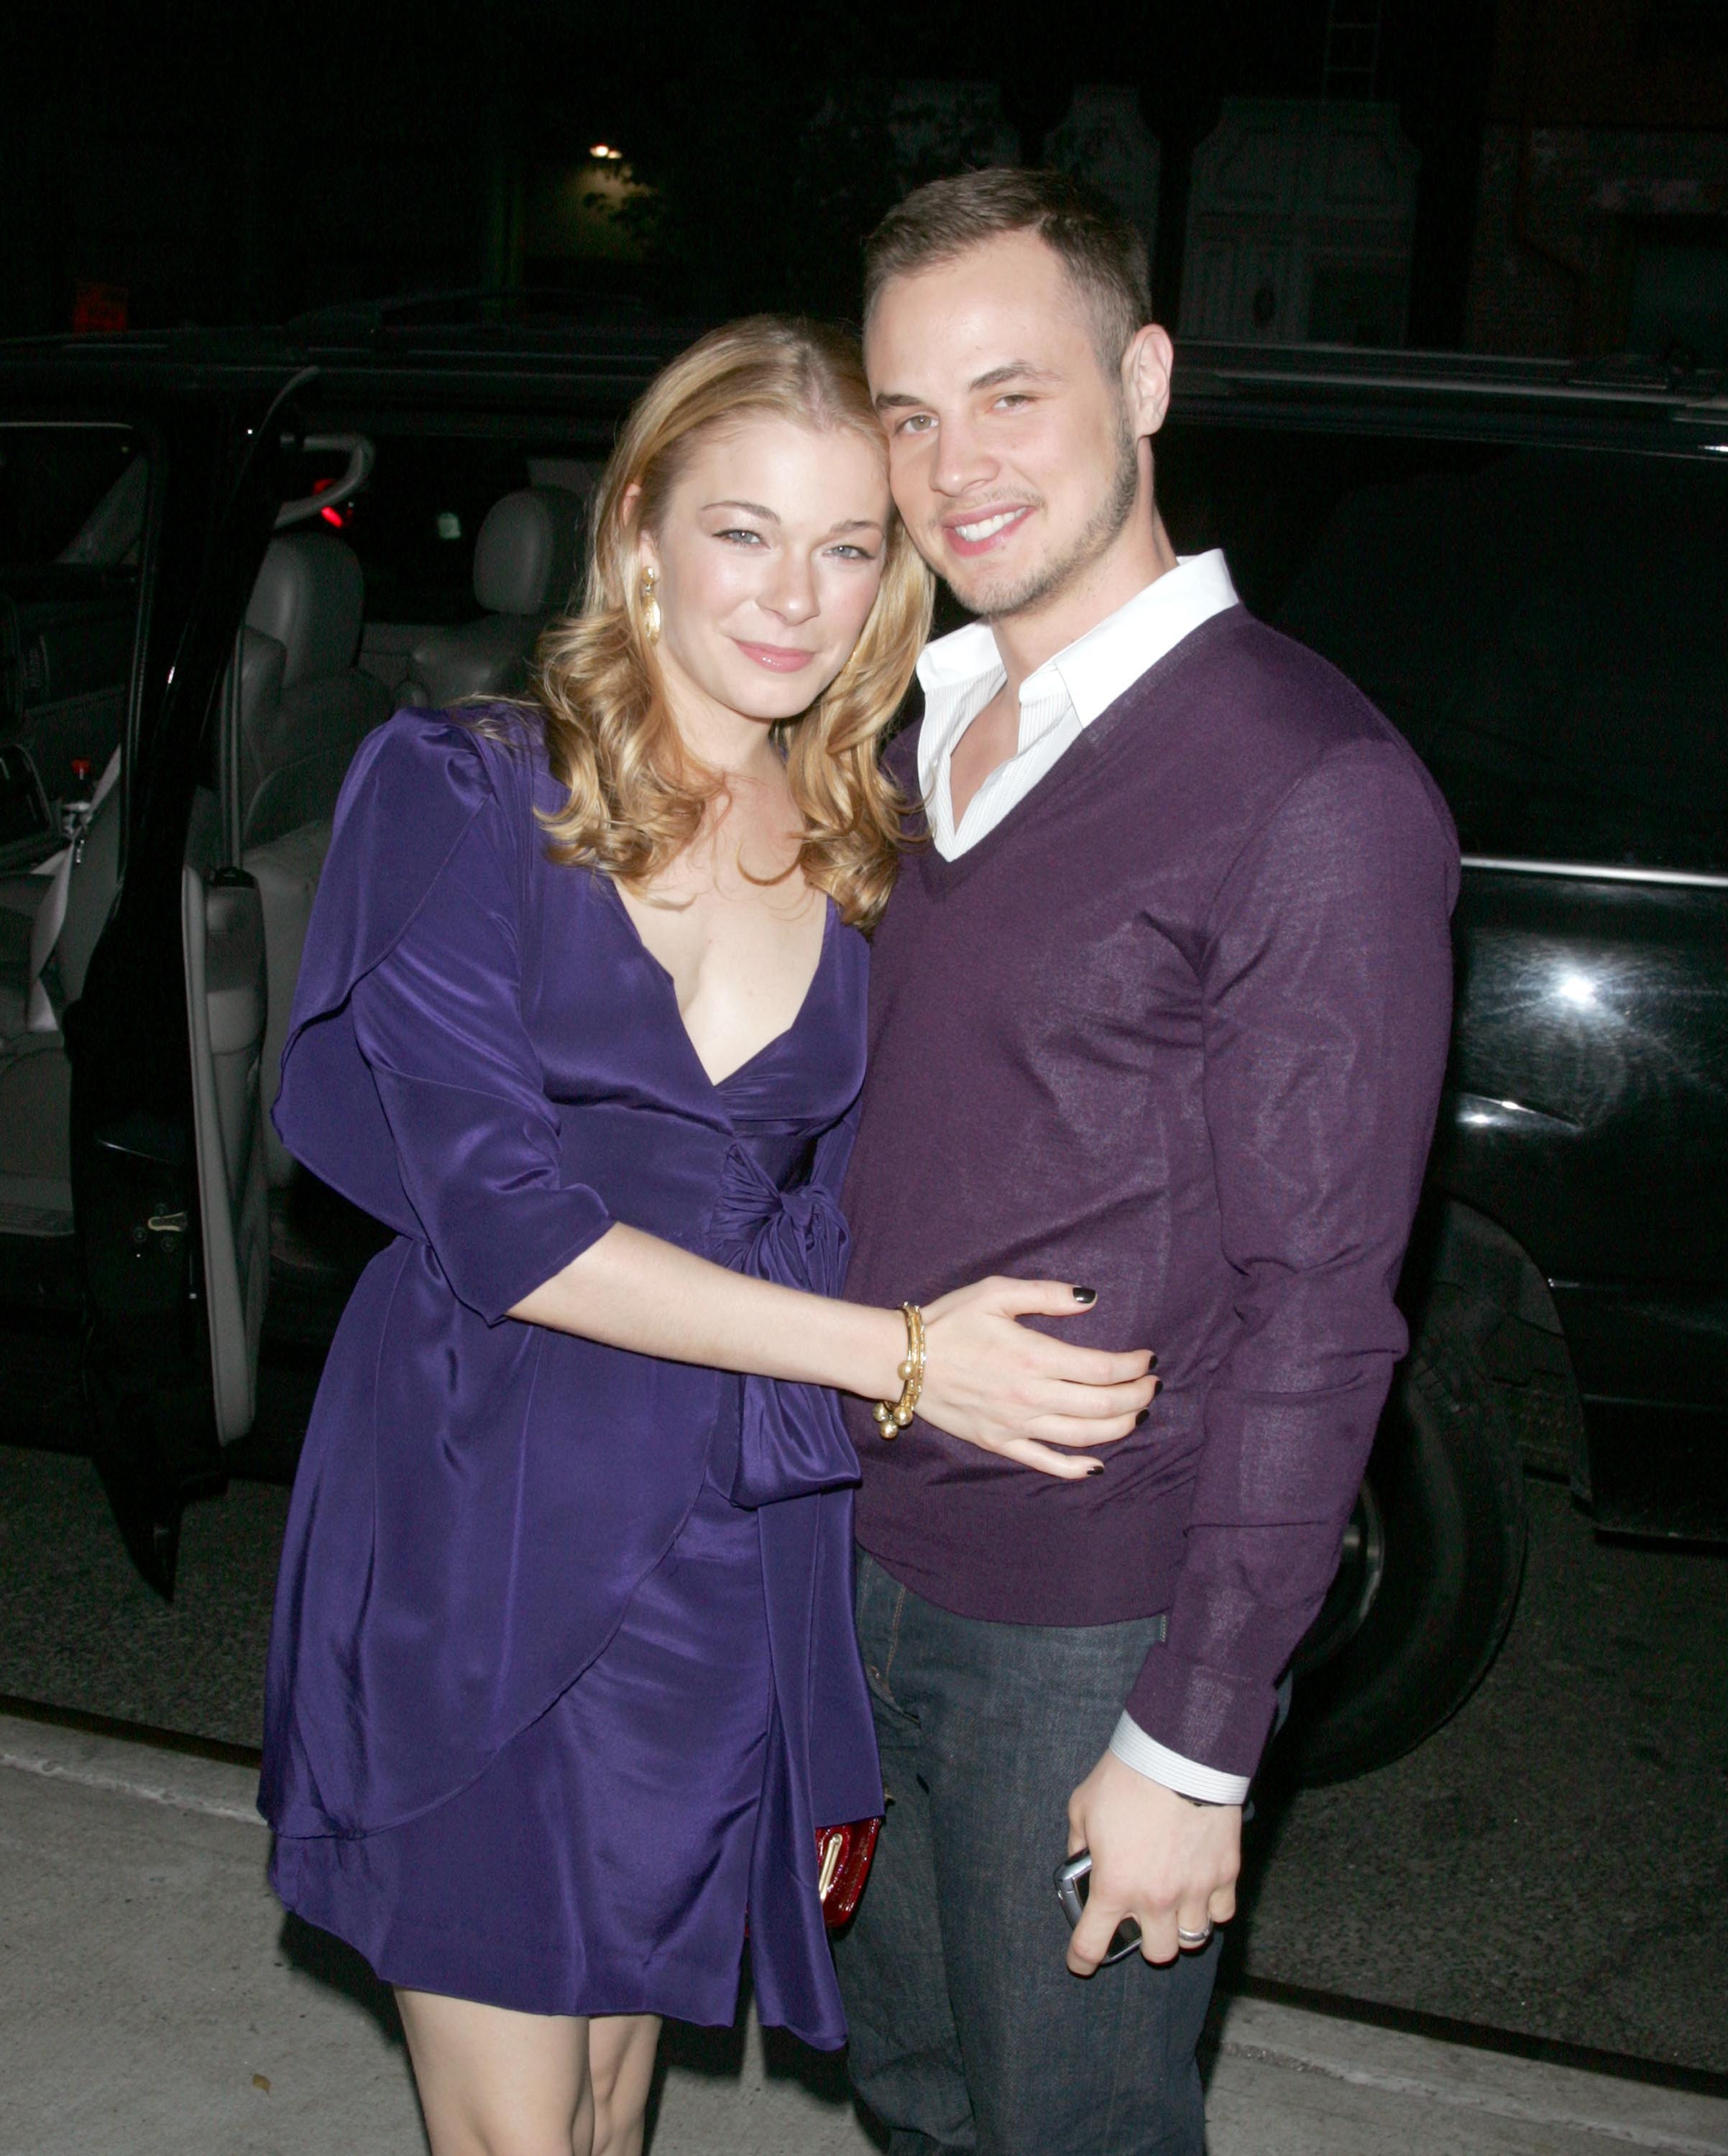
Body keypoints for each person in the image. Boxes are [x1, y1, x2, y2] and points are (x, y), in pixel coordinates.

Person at [257, 315, 1156, 2156]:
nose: (795, 597)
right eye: (743, 531)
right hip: (480, 1505)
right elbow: (510, 1231)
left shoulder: (861, 830)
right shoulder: (463, 791)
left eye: (847, 549)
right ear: (641, 529)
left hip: (717, 1539)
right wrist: (903, 1361)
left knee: (600, 2094)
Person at [831, 170, 1460, 2155]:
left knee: (1070, 2132)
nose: (952, 467)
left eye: (1010, 395)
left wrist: (1195, 1733)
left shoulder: (1307, 785)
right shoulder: (908, 728)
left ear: (1149, 376)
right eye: (906, 415)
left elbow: (1322, 1310)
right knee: (912, 2095)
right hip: (846, 1563)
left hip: (1081, 1624)